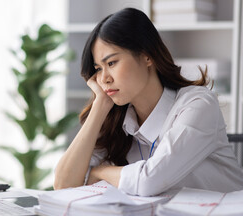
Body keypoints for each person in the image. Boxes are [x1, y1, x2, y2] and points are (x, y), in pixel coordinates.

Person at [54, 8, 243, 196]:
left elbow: (149, 180)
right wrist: (99, 107)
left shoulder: (198, 104)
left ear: (147, 56)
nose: (104, 79)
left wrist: (100, 171)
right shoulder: (118, 119)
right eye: (98, 68)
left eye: (111, 63)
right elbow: (63, 186)